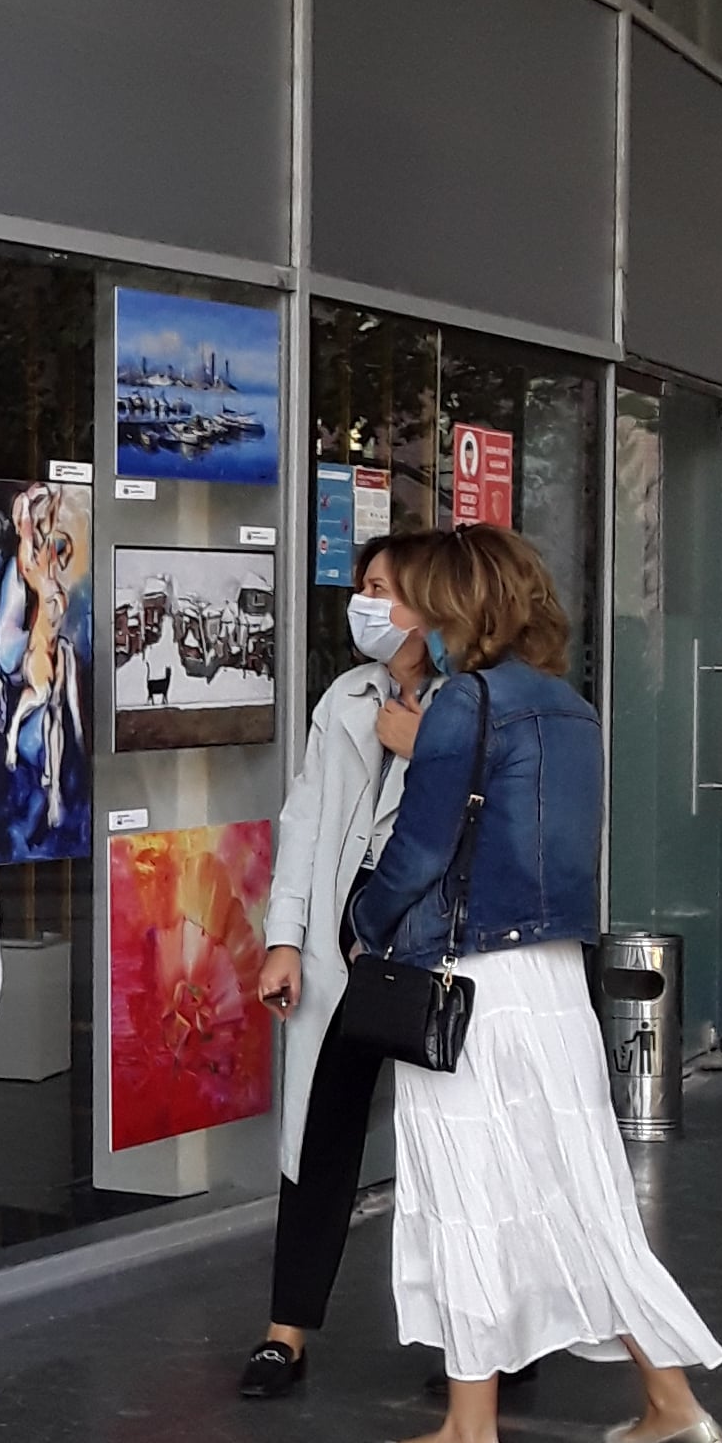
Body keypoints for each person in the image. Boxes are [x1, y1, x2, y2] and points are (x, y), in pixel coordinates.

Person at [343, 524, 722, 1443]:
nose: (410, 615)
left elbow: (420, 851)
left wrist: (363, 918)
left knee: (465, 1188)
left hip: (469, 981)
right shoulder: (570, 707)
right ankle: (669, 1396)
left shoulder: (462, 705)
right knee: (580, 1185)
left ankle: (470, 1431)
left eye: (425, 596)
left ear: (457, 604)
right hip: (554, 980)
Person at [241, 536, 433, 1398]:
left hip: (426, 941)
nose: (365, 602)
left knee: (447, 1141)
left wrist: (424, 748)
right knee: (322, 1130)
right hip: (340, 936)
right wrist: (285, 938)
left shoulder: (472, 701)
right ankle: (285, 1332)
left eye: (382, 589)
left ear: (428, 605)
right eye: (364, 585)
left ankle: (484, 1339)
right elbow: (305, 821)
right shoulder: (346, 696)